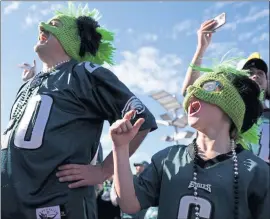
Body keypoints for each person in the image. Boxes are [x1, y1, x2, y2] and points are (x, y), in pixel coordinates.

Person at [1, 3, 157, 219]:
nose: (42, 27)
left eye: (54, 25)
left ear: (70, 40)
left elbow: (141, 118)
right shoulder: (29, 85)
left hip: (56, 205)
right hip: (11, 205)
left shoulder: (83, 73)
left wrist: (104, 170)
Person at [110, 63, 269, 219]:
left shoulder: (258, 172)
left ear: (232, 108)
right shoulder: (167, 159)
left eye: (208, 87)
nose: (193, 92)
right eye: (194, 88)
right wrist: (120, 148)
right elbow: (129, 204)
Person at [181, 19, 270, 163]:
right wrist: (201, 48)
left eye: (260, 73)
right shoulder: (224, 112)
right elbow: (190, 93)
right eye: (248, 72)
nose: (254, 75)